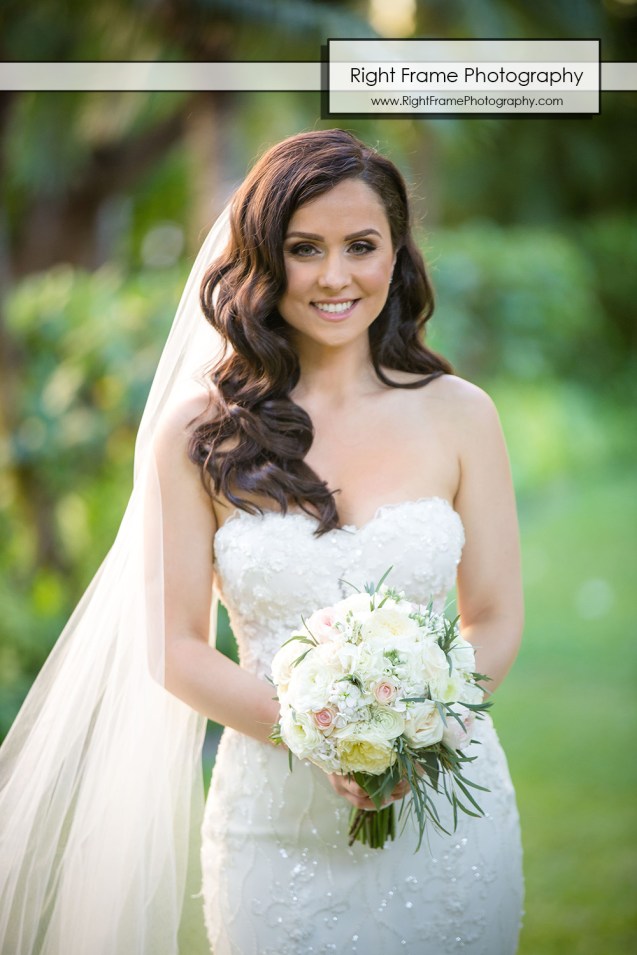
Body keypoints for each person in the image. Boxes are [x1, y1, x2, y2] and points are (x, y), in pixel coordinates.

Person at [0, 129, 523, 955]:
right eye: (303, 249)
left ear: (397, 253)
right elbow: (174, 646)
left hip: (446, 803)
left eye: (361, 245)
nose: (334, 276)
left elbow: (492, 614)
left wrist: (421, 730)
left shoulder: (461, 413)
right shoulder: (195, 436)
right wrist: (326, 733)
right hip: (270, 828)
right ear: (262, 261)